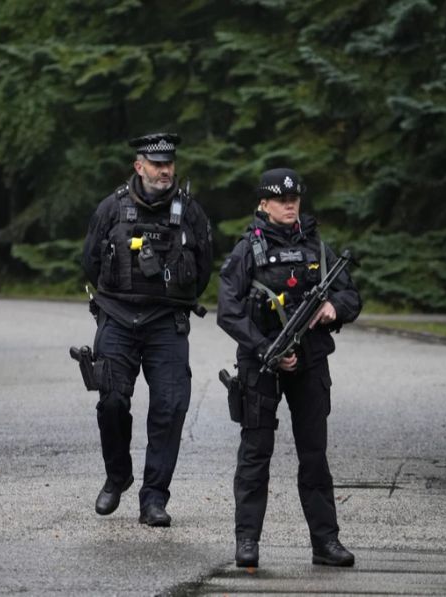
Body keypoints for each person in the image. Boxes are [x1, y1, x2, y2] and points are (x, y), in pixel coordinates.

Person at [216, 168, 361, 567]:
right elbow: (227, 312)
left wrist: (335, 308)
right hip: (261, 363)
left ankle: (325, 543)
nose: (290, 204)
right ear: (263, 204)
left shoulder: (318, 247)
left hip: (310, 359)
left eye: (295, 198)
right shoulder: (248, 249)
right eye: (282, 199)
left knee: (314, 453)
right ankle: (247, 542)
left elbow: (351, 294)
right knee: (255, 453)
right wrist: (268, 349)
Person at [81, 132, 213, 527]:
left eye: (169, 163)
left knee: (170, 408)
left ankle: (154, 497)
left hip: (166, 322)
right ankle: (117, 475)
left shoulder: (190, 213)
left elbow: (204, 269)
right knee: (112, 402)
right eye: (156, 164)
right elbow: (90, 261)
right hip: (117, 318)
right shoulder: (111, 208)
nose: (165, 170)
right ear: (139, 166)